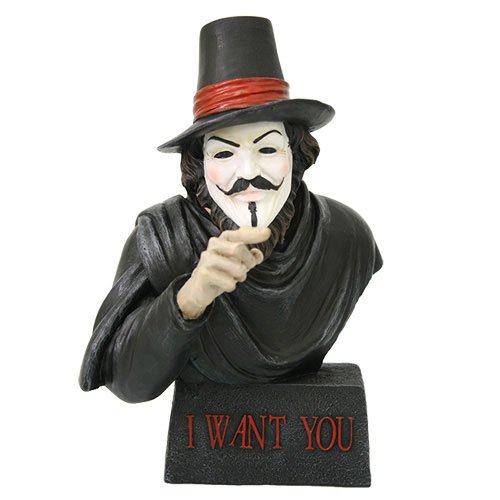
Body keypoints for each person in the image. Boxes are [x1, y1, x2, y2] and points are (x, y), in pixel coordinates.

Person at [79, 16, 382, 403]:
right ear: (199, 167)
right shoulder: (163, 238)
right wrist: (189, 298)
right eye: (224, 154)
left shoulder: (346, 237)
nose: (248, 173)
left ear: (297, 155)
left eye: (267, 149)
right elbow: (124, 378)